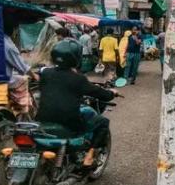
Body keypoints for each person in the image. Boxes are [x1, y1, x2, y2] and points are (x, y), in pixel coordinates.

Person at [36, 39, 118, 167]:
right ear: (76, 58)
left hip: (42, 118)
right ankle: (89, 156)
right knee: (102, 122)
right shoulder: (78, 79)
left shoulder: (46, 73)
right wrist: (112, 93)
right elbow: (101, 94)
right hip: (68, 121)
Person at [3, 20, 38, 116]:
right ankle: (22, 110)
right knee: (24, 80)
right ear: (13, 30)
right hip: (3, 79)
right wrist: (34, 75)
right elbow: (22, 66)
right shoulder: (6, 43)